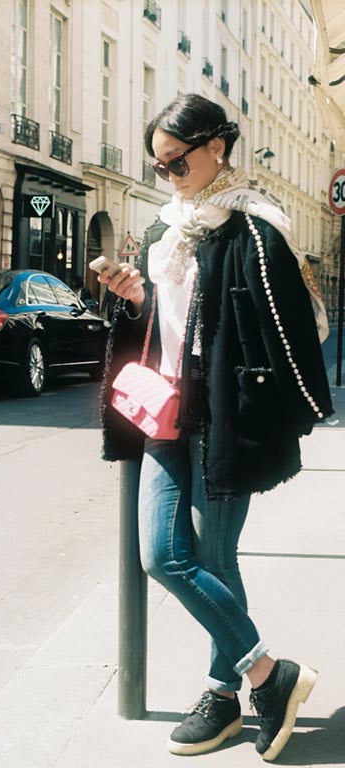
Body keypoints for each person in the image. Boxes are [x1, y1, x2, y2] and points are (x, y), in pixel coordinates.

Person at [99, 94, 333, 761]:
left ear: (216, 148)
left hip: (226, 414)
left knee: (215, 559)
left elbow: (294, 327)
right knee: (161, 556)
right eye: (160, 166)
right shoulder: (161, 230)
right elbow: (159, 322)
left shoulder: (256, 229)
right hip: (163, 409)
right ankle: (268, 674)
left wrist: (291, 409)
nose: (170, 176)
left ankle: (221, 695)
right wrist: (134, 294)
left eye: (177, 161)